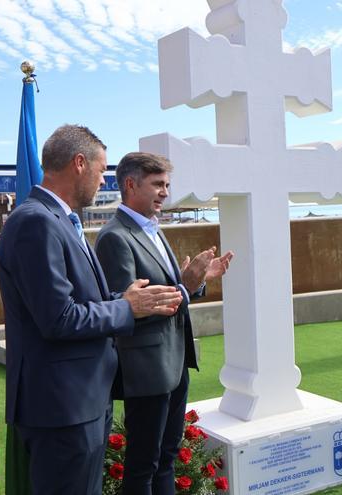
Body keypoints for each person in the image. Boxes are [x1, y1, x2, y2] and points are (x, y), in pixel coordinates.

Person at [0, 125, 184, 495]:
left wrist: (121, 299)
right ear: (79, 164)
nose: (104, 181)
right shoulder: (36, 222)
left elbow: (82, 302)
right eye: (101, 171)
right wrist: (127, 308)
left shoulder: (60, 220)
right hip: (62, 408)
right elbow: (59, 318)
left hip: (81, 401)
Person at [95, 152, 233, 495]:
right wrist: (186, 285)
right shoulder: (116, 237)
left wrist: (198, 281)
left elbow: (174, 292)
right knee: (144, 465)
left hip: (174, 363)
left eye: (167, 185)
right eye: (157, 184)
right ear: (130, 184)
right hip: (146, 369)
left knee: (167, 458)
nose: (165, 192)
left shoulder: (152, 229)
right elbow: (129, 308)